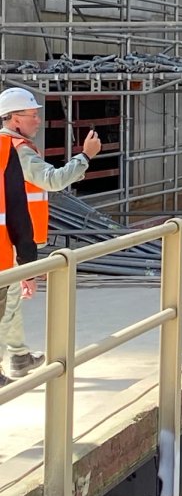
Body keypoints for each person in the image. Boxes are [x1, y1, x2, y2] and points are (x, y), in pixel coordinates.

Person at [0, 88, 102, 382]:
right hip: (14, 239)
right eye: (32, 115)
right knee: (6, 301)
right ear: (15, 119)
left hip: (14, 238)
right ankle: (14, 360)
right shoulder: (16, 149)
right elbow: (52, 180)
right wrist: (85, 156)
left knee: (12, 299)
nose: (38, 121)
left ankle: (18, 356)